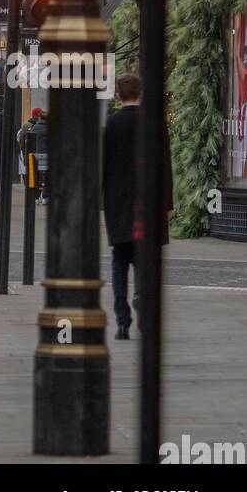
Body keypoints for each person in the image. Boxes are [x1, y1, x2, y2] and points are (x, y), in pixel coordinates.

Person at [103, 74, 141, 340]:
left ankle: (122, 319)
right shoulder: (151, 122)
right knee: (145, 259)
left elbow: (103, 167)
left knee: (120, 260)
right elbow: (164, 166)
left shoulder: (111, 124)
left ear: (118, 96)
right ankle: (142, 298)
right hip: (145, 204)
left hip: (118, 204)